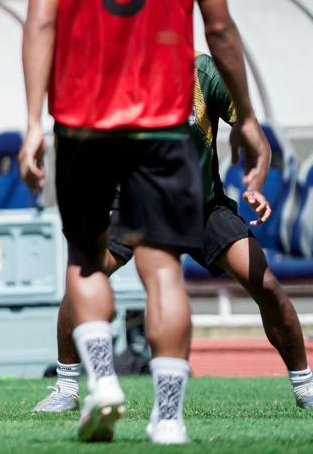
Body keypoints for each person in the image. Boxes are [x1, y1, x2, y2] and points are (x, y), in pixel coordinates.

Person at [20, 0, 270, 445]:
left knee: (86, 258)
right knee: (163, 267)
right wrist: (246, 116)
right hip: (164, 121)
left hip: (84, 120)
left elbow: (40, 21)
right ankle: (169, 415)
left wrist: (31, 121)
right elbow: (220, 30)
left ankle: (101, 380)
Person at [33, 53, 312, 415]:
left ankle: (305, 385)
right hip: (130, 200)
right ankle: (66, 387)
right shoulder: (114, 74)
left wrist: (255, 185)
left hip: (201, 206)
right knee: (87, 273)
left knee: (266, 283)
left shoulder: (204, 72)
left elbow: (253, 133)